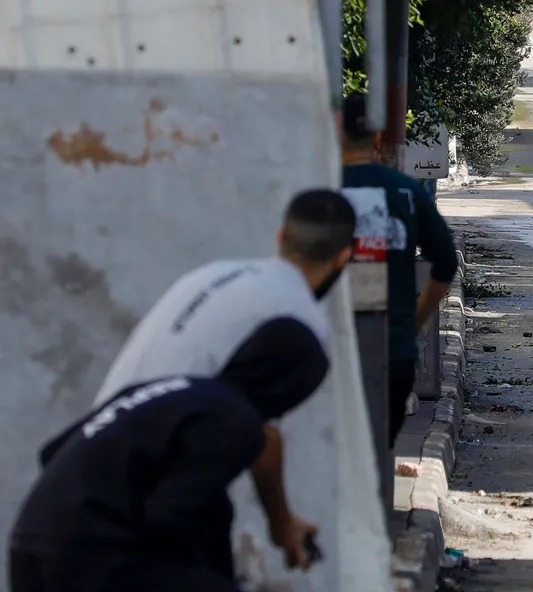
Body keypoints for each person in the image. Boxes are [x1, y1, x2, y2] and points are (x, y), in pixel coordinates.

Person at [7, 189, 356, 592]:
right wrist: (279, 522)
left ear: (280, 238)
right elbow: (259, 434)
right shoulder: (300, 318)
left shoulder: (212, 276)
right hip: (141, 494)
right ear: (343, 257)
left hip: (88, 467)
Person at [341, 94, 458, 449]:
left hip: (330, 350)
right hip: (393, 348)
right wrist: (415, 319)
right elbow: (445, 262)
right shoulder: (405, 191)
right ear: (379, 138)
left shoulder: (319, 189)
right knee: (378, 450)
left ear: (335, 133)